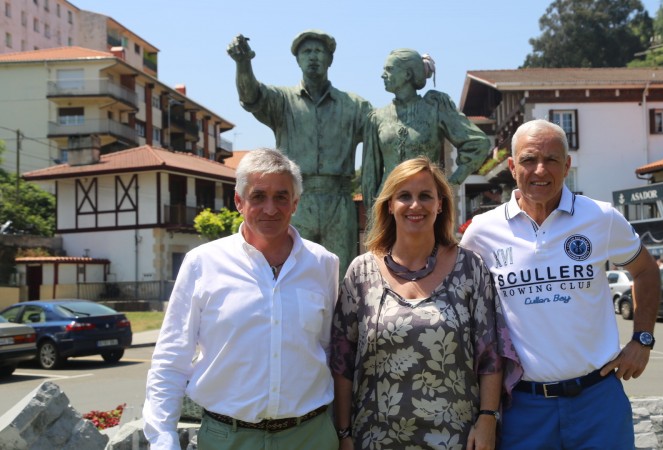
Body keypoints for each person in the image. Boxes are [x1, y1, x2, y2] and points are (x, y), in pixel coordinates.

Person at [461, 119, 661, 449]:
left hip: (598, 400)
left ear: (567, 165)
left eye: (551, 159)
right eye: (528, 160)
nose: (540, 170)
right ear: (512, 167)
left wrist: (642, 339)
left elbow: (646, 270)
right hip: (522, 407)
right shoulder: (482, 231)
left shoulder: (601, 217)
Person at [143, 149, 340, 450]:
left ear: (295, 203)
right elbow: (171, 359)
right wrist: (163, 438)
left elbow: (328, 350)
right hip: (227, 438)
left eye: (281, 197)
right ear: (239, 201)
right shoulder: (202, 263)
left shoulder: (324, 264)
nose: (270, 208)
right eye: (258, 196)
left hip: (309, 437)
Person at [330, 157, 521, 450]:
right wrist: (343, 434)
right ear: (390, 205)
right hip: (375, 438)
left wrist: (487, 418)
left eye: (425, 196)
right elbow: (342, 363)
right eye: (404, 196)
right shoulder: (361, 272)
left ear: (440, 204)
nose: (415, 205)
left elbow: (490, 355)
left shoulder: (470, 267)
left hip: (456, 438)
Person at [228, 30, 372, 279]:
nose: (313, 57)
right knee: (292, 271)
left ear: (330, 59)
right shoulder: (283, 101)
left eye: (319, 51)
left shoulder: (354, 105)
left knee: (342, 274)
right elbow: (251, 96)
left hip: (338, 199)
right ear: (297, 60)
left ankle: (343, 319)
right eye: (306, 52)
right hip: (295, 198)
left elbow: (383, 132)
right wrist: (243, 63)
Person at [361, 49, 490, 211]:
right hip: (388, 204)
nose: (383, 75)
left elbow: (478, 143)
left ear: (407, 75)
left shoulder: (435, 107)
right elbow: (370, 175)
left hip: (425, 202)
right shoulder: (377, 118)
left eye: (389, 69)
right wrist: (373, 215)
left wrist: (451, 182)